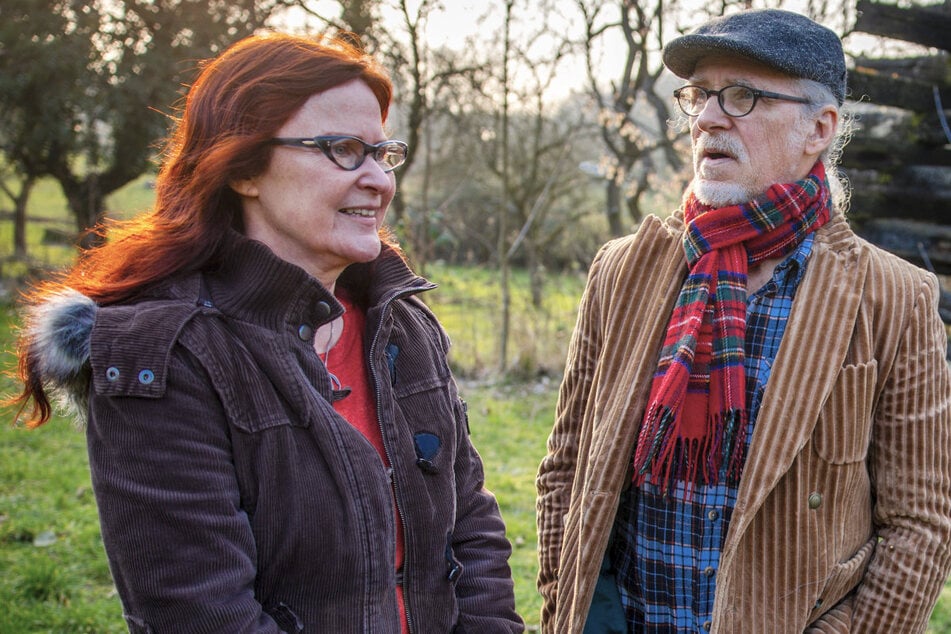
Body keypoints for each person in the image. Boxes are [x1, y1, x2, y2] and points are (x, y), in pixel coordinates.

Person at [14, 33, 524, 633]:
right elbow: (200, 612)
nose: (379, 181)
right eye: (343, 149)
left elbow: (472, 529)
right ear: (245, 169)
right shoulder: (168, 355)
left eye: (382, 153)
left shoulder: (401, 322)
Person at [536, 8, 951, 633]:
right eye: (699, 96)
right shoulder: (621, 271)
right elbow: (566, 468)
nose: (706, 118)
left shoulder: (893, 296)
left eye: (742, 96)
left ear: (819, 128)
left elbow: (920, 526)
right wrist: (568, 609)